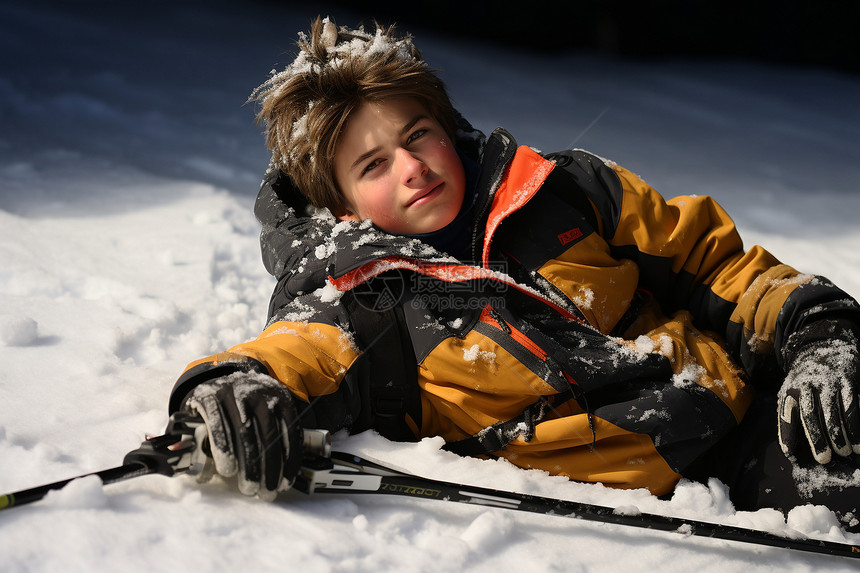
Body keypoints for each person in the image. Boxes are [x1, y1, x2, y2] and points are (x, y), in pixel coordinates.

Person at [167, 17, 860, 529]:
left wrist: (817, 332)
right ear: (340, 202)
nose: (411, 167)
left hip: (743, 411)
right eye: (373, 165)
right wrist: (231, 389)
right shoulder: (356, 298)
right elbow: (294, 352)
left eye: (416, 137)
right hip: (650, 488)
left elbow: (713, 263)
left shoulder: (563, 189)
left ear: (446, 128)